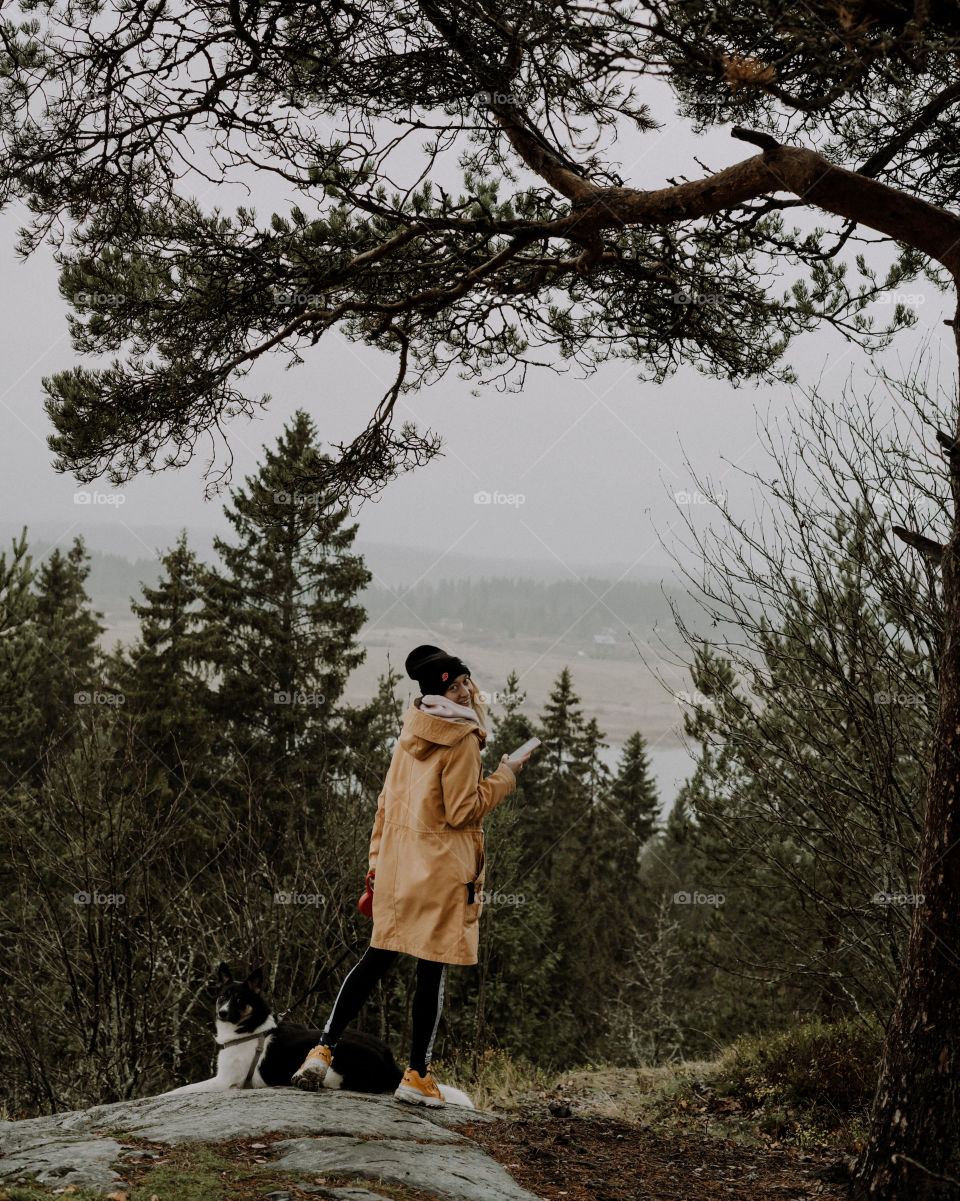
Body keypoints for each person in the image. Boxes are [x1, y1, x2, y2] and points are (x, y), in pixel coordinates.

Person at [292, 643, 534, 1106]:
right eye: (458, 685)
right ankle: (417, 1075)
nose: (466, 692)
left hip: (400, 867)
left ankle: (321, 1050)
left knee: (374, 959)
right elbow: (464, 810)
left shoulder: (413, 729)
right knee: (431, 972)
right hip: (441, 872)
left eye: (466, 682)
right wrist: (505, 774)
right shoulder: (461, 740)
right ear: (440, 690)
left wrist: (375, 865)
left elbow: (385, 806)